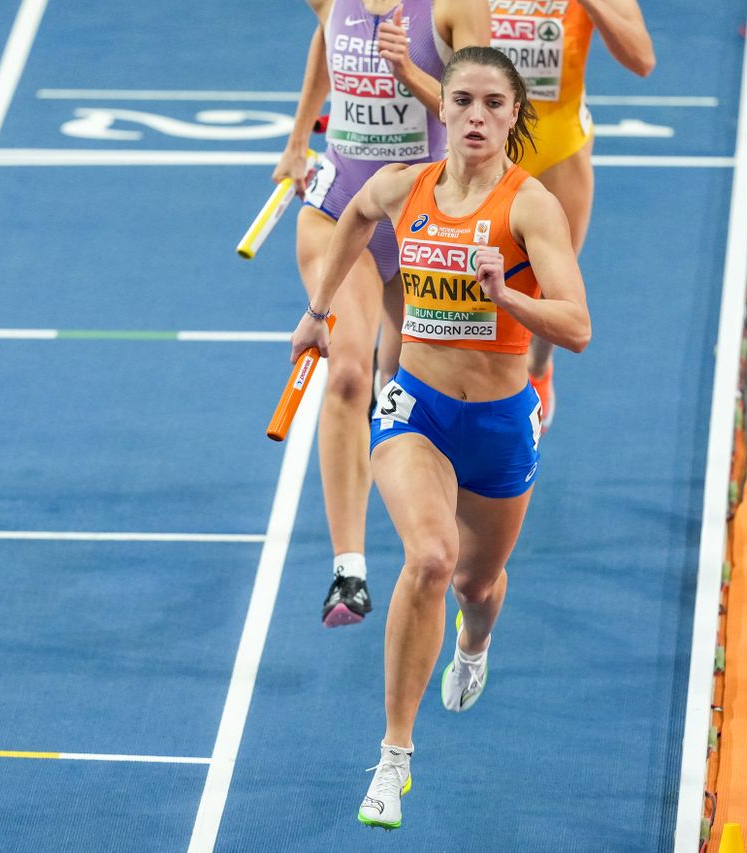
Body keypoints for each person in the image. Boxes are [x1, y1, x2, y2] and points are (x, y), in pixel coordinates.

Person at [288, 46, 591, 830]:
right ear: (443, 108)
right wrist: (321, 311)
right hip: (416, 409)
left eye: (495, 103)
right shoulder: (403, 186)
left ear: (514, 115)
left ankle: (475, 643)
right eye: (463, 101)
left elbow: (579, 326)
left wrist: (506, 295)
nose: (478, 116)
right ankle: (394, 757)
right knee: (429, 557)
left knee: (476, 587)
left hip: (497, 422)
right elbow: (349, 217)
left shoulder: (530, 208)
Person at [273, 0, 491, 628]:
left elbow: (485, 113)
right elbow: (325, 35)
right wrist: (296, 140)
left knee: (414, 391)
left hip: (421, 219)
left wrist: (410, 74)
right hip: (339, 208)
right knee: (346, 373)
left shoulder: (454, 9)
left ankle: (450, 545)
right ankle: (350, 571)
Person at [490, 0, 654, 430]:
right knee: (475, 282)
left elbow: (642, 59)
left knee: (554, 287)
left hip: (560, 148)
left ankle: (539, 366)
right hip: (487, 145)